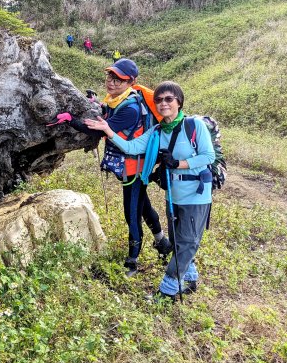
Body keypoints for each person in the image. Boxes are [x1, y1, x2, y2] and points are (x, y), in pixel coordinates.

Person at [84, 81, 215, 300]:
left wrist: (177, 163)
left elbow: (208, 156)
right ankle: (190, 279)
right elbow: (133, 147)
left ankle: (168, 290)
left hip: (197, 194)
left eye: (169, 99)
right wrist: (109, 131)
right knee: (178, 241)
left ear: (179, 102)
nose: (163, 103)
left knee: (186, 243)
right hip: (174, 194)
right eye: (159, 100)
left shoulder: (194, 126)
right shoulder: (156, 131)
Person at [48, 58, 170, 276]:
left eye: (118, 80)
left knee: (131, 213)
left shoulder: (130, 108)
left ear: (131, 82)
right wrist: (96, 103)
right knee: (142, 206)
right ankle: (162, 242)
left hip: (134, 168)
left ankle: (132, 262)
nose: (111, 83)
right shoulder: (118, 100)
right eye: (110, 77)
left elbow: (99, 130)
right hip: (133, 166)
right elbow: (107, 113)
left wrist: (71, 120)